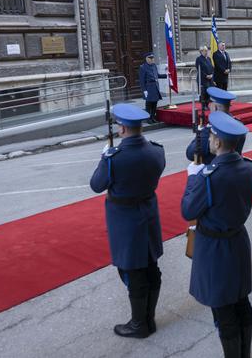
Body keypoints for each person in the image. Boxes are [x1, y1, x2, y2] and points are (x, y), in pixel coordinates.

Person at [181, 111, 252, 358]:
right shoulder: (248, 168)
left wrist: (193, 179)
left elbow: (188, 210)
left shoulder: (209, 178)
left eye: (212, 135)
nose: (209, 139)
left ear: (217, 142)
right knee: (241, 303)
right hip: (237, 240)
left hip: (215, 248)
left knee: (224, 312)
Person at [89, 103, 166, 338]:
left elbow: (96, 185)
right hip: (148, 213)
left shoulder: (115, 159)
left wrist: (105, 158)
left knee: (133, 272)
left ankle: (138, 324)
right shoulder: (157, 151)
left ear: (121, 129)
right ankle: (148, 319)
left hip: (125, 220)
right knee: (151, 267)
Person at [185, 87, 246, 164]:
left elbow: (190, 153)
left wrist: (200, 133)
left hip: (215, 170)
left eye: (210, 105)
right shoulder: (238, 124)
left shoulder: (211, 130)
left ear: (215, 107)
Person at [138, 52, 167, 123]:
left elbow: (157, 75)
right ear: (146, 59)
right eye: (150, 58)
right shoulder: (143, 67)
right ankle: (148, 119)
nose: (152, 59)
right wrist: (144, 90)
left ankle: (153, 117)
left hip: (155, 87)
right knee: (149, 104)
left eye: (153, 58)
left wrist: (166, 75)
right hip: (149, 88)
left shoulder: (154, 66)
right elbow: (142, 80)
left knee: (154, 104)